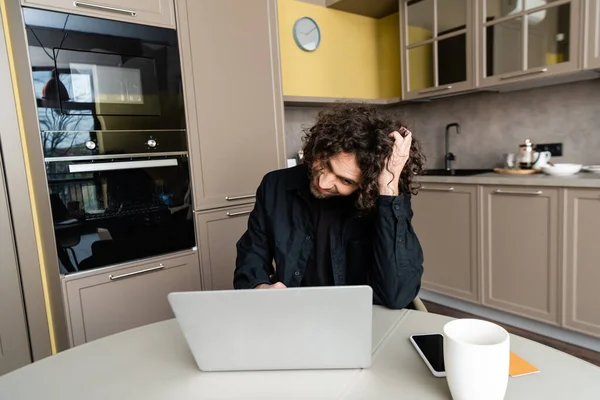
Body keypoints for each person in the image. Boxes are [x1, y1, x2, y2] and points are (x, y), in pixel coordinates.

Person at [233, 103, 425, 309]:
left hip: (360, 319)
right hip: (294, 315)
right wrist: (259, 286)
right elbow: (252, 252)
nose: (323, 183)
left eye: (346, 181)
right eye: (326, 164)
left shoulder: (383, 200)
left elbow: (396, 295)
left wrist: (388, 186)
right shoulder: (275, 186)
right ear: (322, 147)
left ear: (366, 187)